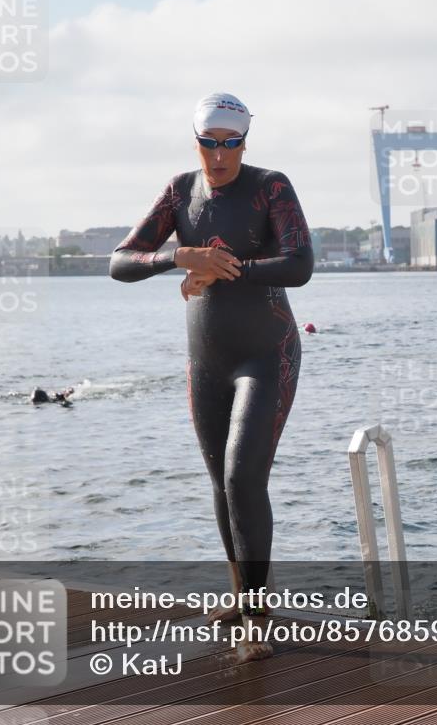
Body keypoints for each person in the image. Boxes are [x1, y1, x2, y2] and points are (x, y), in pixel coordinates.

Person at [110, 92, 314, 663]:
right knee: (221, 485)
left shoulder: (271, 186)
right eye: (208, 143)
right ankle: (239, 594)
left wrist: (226, 268)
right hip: (207, 362)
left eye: (231, 143)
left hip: (266, 356)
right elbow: (120, 261)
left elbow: (300, 264)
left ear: (245, 141)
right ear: (195, 141)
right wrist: (179, 259)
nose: (219, 155)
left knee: (244, 479)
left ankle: (257, 619)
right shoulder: (181, 192)